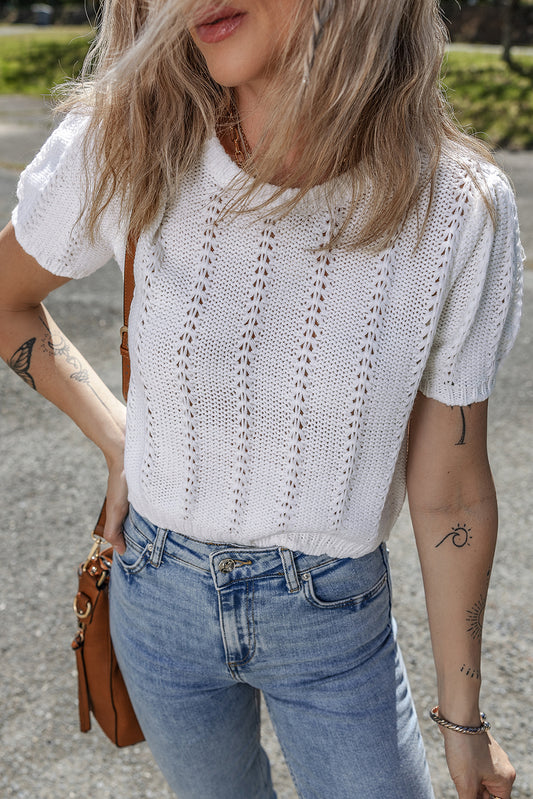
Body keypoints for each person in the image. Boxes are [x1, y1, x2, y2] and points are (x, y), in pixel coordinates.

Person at [0, 1, 522, 797]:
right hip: (157, 595)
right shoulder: (132, 137)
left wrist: (464, 720)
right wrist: (119, 439)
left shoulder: (458, 208)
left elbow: (450, 493)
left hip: (332, 621)